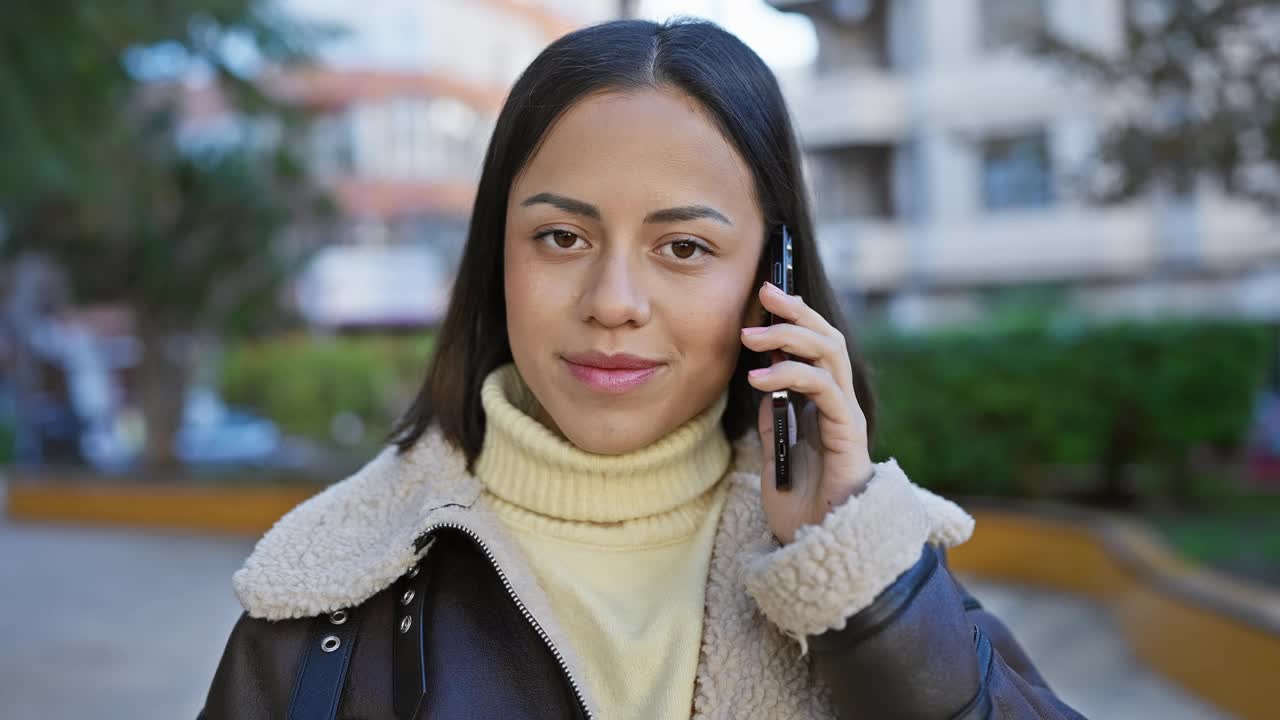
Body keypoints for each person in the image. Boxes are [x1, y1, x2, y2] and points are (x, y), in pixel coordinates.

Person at [199, 16, 1085, 720]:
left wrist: (860, 574)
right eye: (561, 237)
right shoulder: (328, 592)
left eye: (686, 246)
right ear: (494, 256)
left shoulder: (871, 566)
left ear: (768, 279)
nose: (614, 299)